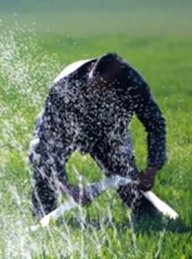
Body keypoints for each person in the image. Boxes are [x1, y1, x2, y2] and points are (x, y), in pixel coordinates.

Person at [29, 53, 167, 218]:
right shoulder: (65, 87)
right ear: (91, 69)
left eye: (104, 90)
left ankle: (150, 219)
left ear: (116, 89)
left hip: (107, 131)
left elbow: (156, 125)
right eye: (95, 85)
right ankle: (42, 220)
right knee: (45, 177)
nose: (95, 93)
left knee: (127, 178)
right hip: (64, 129)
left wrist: (152, 168)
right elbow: (47, 146)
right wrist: (68, 188)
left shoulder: (133, 85)